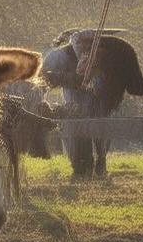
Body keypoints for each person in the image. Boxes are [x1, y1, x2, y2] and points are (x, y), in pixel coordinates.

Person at [41, 29, 107, 178]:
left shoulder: (101, 55)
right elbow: (45, 75)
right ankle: (79, 169)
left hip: (97, 106)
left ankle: (100, 163)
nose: (85, 48)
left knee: (99, 136)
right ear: (76, 43)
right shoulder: (60, 55)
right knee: (74, 136)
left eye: (89, 45)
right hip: (73, 105)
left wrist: (93, 82)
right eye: (82, 44)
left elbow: (108, 80)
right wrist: (72, 79)